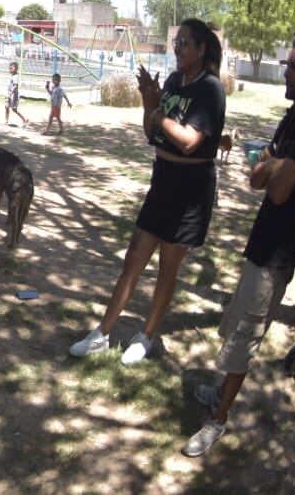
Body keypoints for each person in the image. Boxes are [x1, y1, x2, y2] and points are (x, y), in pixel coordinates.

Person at [182, 36, 295, 456]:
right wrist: (271, 164)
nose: (286, 72)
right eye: (287, 65)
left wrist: (271, 164)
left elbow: (278, 191)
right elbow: (256, 177)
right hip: (260, 241)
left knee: (245, 338)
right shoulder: (291, 119)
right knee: (235, 325)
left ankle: (219, 420)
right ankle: (220, 394)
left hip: (278, 251)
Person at [70, 19, 227, 365]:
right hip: (162, 183)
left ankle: (147, 336)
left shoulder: (210, 89)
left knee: (166, 270)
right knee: (133, 261)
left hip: (190, 192)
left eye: (185, 42)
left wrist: (157, 111)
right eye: (176, 42)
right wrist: (147, 101)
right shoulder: (173, 82)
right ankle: (102, 333)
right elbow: (151, 131)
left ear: (201, 49)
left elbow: (189, 141)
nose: (178, 48)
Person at [5, 61, 29, 127]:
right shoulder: (13, 76)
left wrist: (10, 93)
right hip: (10, 94)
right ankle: (6, 121)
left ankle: (24, 119)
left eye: (11, 68)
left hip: (13, 95)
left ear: (16, 69)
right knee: (6, 106)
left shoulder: (15, 76)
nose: (10, 69)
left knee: (14, 109)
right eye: (9, 68)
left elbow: (16, 86)